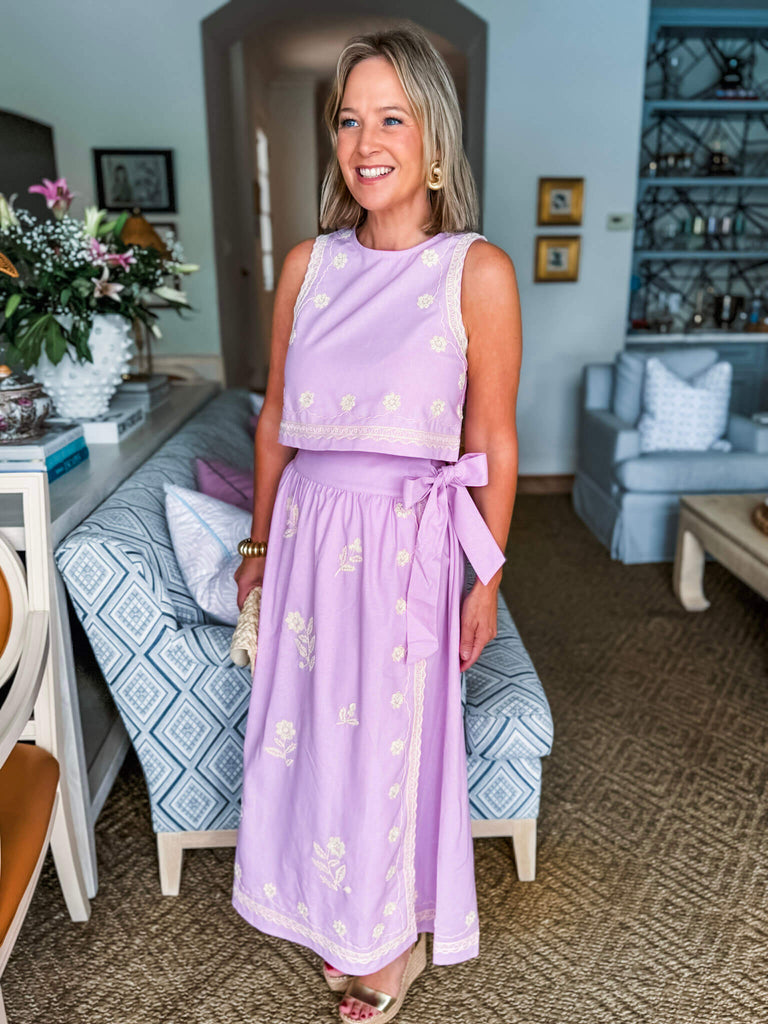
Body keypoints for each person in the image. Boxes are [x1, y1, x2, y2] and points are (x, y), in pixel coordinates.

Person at [232, 23, 521, 1023]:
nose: (366, 143)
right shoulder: (307, 266)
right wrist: (258, 545)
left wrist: (487, 579)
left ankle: (392, 936)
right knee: (315, 735)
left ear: (433, 137)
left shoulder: (476, 271)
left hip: (408, 542)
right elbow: (275, 417)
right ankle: (334, 909)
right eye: (349, 120)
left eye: (391, 119)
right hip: (309, 535)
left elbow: (493, 439)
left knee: (389, 742)